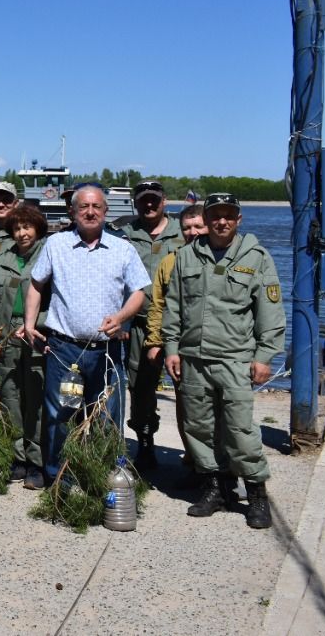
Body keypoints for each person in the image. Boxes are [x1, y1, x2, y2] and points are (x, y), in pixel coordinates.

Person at [162, 193, 284, 529]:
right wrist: (171, 348)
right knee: (198, 428)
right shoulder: (187, 256)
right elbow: (174, 306)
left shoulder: (255, 257)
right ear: (208, 217)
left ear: (238, 219)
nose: (221, 221)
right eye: (215, 215)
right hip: (193, 358)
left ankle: (257, 494)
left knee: (240, 430)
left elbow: (270, 312)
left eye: (229, 215)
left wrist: (263, 356)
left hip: (235, 360)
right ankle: (215, 489)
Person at [22, 185, 149, 484]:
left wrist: (121, 317)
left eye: (96, 207)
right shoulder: (56, 245)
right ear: (73, 212)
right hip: (64, 350)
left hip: (107, 353)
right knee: (59, 417)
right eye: (83, 207)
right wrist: (29, 324)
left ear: (106, 212)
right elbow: (36, 285)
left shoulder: (123, 249)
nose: (90, 212)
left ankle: (104, 476)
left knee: (107, 418)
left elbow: (139, 293)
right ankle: (58, 480)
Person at [0, 204, 50, 489]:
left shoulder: (50, 256)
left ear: (37, 228)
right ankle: (17, 457)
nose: (22, 233)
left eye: (27, 227)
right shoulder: (2, 260)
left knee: (36, 400)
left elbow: (60, 302)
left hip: (37, 337)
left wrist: (38, 322)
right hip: (6, 338)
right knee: (10, 398)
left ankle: (37, 460)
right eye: (17, 228)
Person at [120, 180, 186, 471]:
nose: (149, 204)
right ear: (136, 203)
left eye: (154, 200)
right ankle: (145, 443)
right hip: (138, 324)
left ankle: (197, 454)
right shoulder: (125, 234)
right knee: (140, 386)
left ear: (164, 201)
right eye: (144, 200)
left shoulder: (183, 233)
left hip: (178, 323)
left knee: (187, 386)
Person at [145, 204, 208, 470]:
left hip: (222, 347)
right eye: (187, 228)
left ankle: (225, 468)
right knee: (187, 408)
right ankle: (194, 461)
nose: (193, 232)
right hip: (183, 347)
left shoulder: (229, 258)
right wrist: (155, 341)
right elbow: (158, 305)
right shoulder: (171, 262)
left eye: (198, 226)